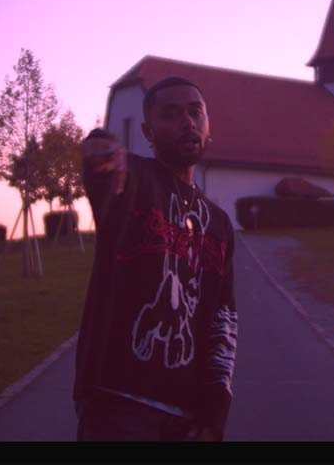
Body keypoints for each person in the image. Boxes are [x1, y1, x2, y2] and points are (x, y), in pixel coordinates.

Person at [73, 76, 238, 441]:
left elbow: (223, 319)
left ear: (209, 126)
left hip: (187, 419)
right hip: (115, 408)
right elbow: (106, 173)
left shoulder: (220, 225)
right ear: (148, 131)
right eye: (171, 114)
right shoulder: (133, 180)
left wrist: (216, 408)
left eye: (196, 112)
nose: (187, 122)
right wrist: (100, 149)